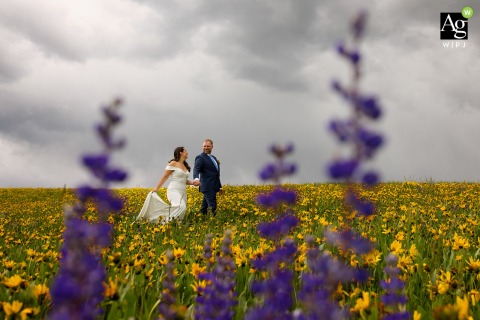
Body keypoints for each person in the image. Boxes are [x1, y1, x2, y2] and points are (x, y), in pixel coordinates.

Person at [135, 147, 200, 224]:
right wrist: (156, 188)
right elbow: (165, 176)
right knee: (181, 207)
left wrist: (193, 183)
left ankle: (175, 226)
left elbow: (184, 180)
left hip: (183, 192)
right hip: (173, 190)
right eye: (185, 151)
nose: (187, 152)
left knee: (181, 210)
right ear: (181, 152)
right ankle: (165, 224)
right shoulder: (173, 163)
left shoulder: (185, 166)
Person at [193, 139, 223, 215]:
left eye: (208, 146)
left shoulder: (214, 158)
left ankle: (199, 219)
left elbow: (216, 174)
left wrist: (220, 187)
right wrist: (196, 178)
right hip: (207, 186)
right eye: (204, 146)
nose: (206, 148)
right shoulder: (200, 157)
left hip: (214, 186)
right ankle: (215, 223)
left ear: (212, 146)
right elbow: (196, 169)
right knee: (213, 207)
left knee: (204, 208)